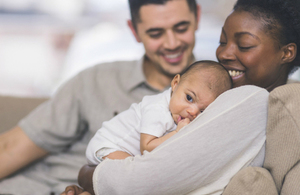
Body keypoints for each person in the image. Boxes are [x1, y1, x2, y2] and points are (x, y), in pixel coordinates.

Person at [62, 0, 300, 194]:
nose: (224, 54)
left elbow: (138, 181)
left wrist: (87, 174)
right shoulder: (228, 97)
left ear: (287, 52)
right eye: (222, 41)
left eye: (245, 45)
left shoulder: (251, 100)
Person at [0, 0, 200, 194]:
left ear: (197, 18)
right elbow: (10, 147)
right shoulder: (97, 80)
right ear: (134, 31)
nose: (172, 43)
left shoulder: (216, 100)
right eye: (155, 33)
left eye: (181, 28)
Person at [86, 61, 232, 165]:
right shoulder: (158, 109)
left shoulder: (179, 115)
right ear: (175, 83)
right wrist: (177, 134)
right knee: (134, 175)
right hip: (107, 145)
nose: (192, 112)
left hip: (125, 152)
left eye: (203, 111)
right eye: (189, 98)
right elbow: (147, 147)